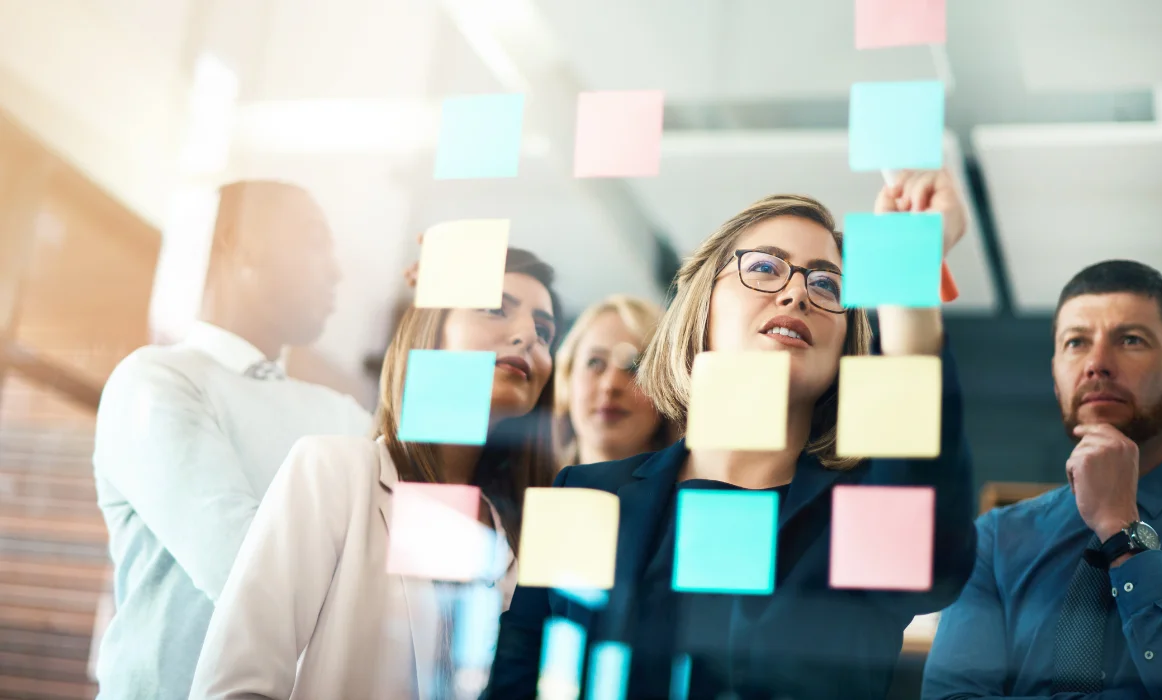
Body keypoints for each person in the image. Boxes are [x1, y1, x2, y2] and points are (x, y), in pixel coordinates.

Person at [485, 172, 979, 699]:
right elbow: (517, 681)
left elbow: (933, 560)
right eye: (765, 267)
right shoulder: (586, 495)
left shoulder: (858, 512)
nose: (796, 293)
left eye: (826, 284)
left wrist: (908, 273)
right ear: (704, 305)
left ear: (845, 345)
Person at [189, 248, 562, 700]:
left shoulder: (524, 539)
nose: (527, 336)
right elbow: (235, 685)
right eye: (495, 309)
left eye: (544, 331)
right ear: (432, 332)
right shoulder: (334, 474)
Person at [91, 180, 372, 700]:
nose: (335, 271)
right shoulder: (156, 382)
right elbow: (248, 574)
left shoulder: (341, 414)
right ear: (239, 244)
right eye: (314, 241)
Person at [922, 260, 1162, 700]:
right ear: (1055, 376)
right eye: (1076, 342)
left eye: (1130, 340)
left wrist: (1122, 531)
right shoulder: (995, 539)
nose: (1096, 364)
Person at [552, 294, 674, 468]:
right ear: (567, 377)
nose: (610, 385)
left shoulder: (695, 493)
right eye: (595, 362)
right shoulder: (522, 490)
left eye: (635, 367)